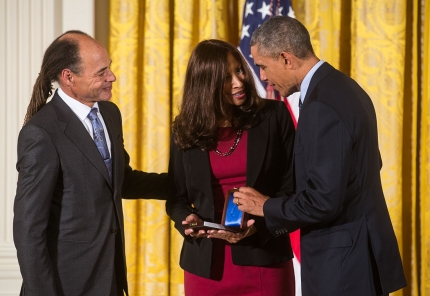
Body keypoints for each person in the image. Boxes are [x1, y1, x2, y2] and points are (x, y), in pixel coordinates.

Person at [233, 16, 407, 296]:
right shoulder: (345, 88)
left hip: (343, 267)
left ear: (286, 58)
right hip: (357, 255)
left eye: (263, 66)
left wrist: (266, 206)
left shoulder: (321, 104)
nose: (262, 77)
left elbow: (322, 200)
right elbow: (367, 165)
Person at [13, 30, 168, 296]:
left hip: (109, 278)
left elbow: (120, 181)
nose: (112, 77)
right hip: (65, 286)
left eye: (110, 68)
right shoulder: (41, 133)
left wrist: (182, 183)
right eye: (101, 72)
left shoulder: (110, 114)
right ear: (69, 77)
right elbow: (28, 230)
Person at [166, 39, 296, 296]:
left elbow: (292, 186)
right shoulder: (184, 128)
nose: (239, 81)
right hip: (206, 267)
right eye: (226, 77)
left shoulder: (274, 117)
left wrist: (260, 225)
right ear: (205, 84)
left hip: (264, 259)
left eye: (239, 70)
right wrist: (187, 222)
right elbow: (177, 197)